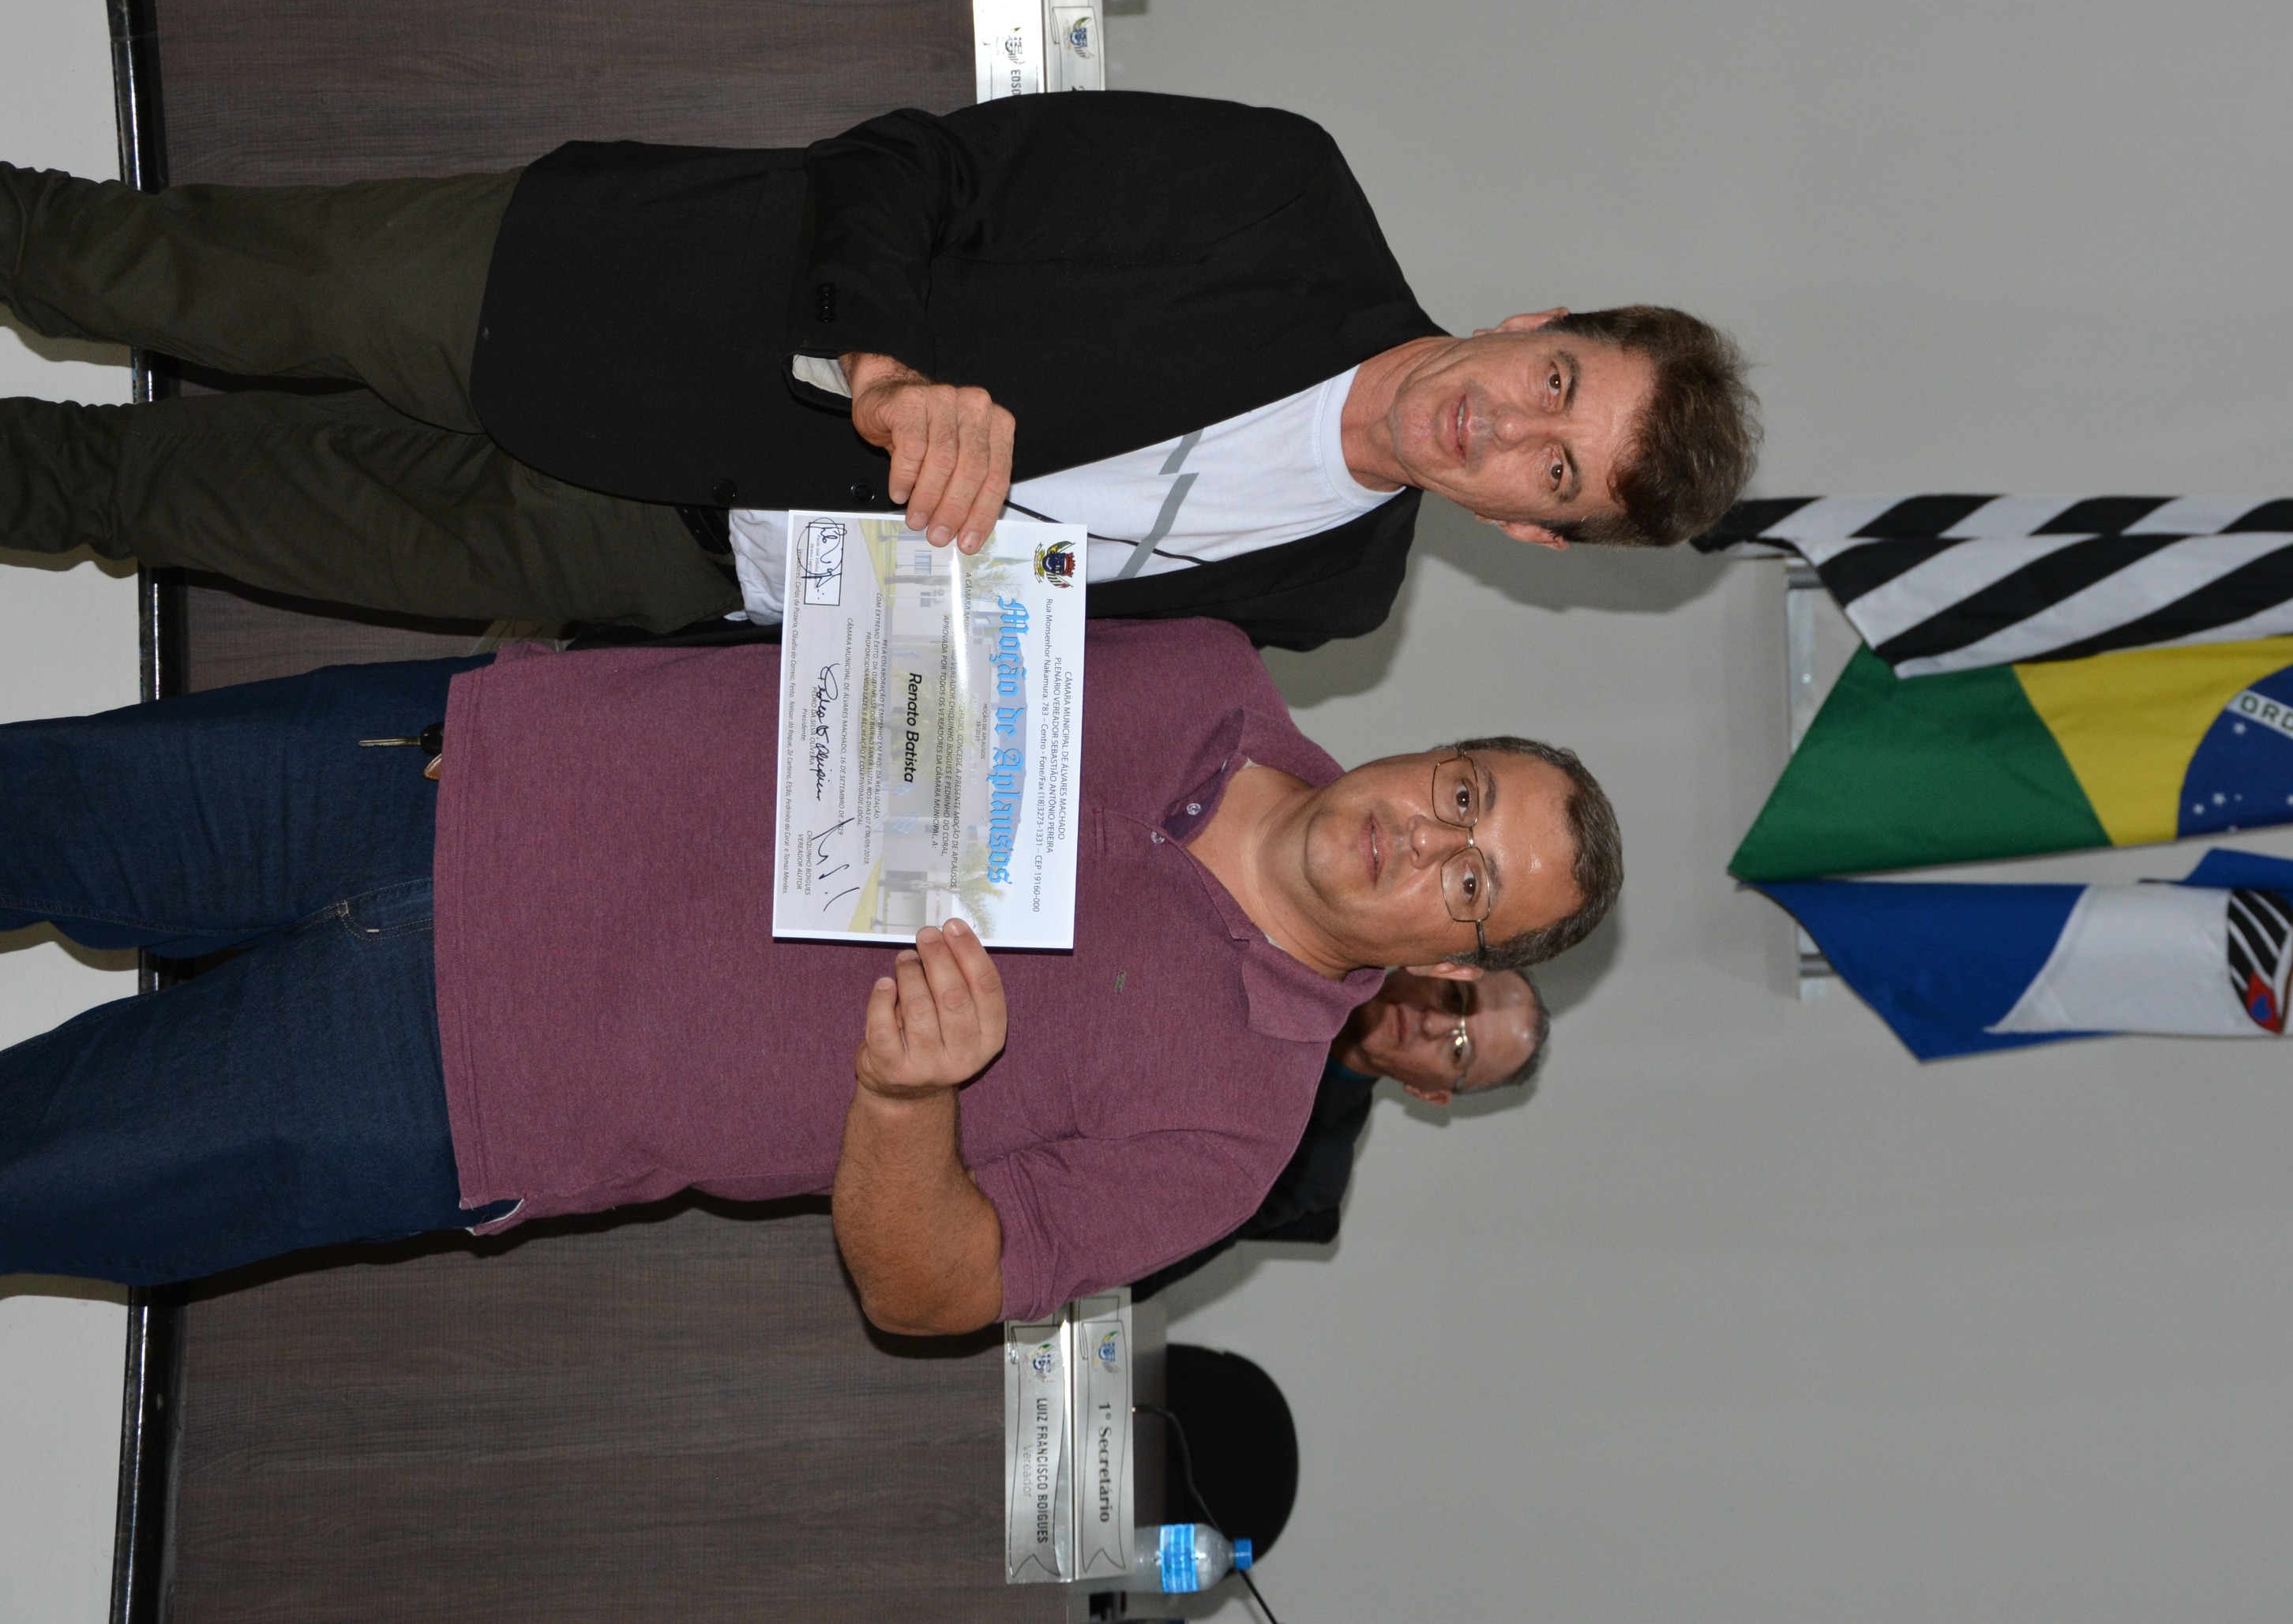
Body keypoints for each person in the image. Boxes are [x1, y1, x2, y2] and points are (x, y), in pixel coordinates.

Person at [0, 618, 1622, 1330]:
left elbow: (933, 1294)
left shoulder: (1237, 1130)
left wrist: (908, 1101)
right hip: (440, 764)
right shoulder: (1205, 664)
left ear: (1447, 964)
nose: (1426, 838)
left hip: (456, 1076)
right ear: (1439, 747)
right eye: (1462, 791)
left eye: (1470, 883)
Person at [0, 92, 1758, 648]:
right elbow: (913, 161)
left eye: (1553, 470)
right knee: (120, 263)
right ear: (1536, 318)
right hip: (610, 300)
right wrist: (885, 366)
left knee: (128, 502)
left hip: (662, 565)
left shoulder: (1329, 598)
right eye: (1558, 382)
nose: (1507, 424)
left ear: (1531, 534)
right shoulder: (1281, 199)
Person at [1130, 966, 1548, 1300]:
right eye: (1454, 998)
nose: (1433, 1023)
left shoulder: (1313, 1169)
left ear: (1430, 1093)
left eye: (1457, 1049)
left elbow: (1136, 1266)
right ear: (1435, 966)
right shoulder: (1304, 935)